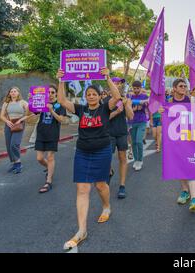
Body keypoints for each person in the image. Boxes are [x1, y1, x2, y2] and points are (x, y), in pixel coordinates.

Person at [57, 67, 121, 250]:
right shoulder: (80, 109)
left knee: (100, 185)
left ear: (100, 96)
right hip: (82, 153)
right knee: (83, 189)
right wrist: (61, 79)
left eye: (94, 94)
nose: (91, 96)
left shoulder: (105, 109)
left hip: (102, 151)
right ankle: (82, 230)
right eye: (89, 94)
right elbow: (61, 100)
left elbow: (116, 97)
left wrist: (107, 77)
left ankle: (106, 206)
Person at [160, 79, 195, 212]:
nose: (184, 88)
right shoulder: (168, 103)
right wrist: (161, 112)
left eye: (185, 86)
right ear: (174, 88)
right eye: (181, 86)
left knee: (191, 167)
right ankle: (185, 191)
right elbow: (164, 121)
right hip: (175, 140)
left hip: (191, 139)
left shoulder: (192, 101)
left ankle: (194, 199)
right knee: (181, 167)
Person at [34, 85, 67, 193]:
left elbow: (61, 119)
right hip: (41, 133)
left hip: (53, 134)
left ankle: (48, 181)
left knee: (50, 157)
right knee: (39, 158)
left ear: (56, 93)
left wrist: (52, 110)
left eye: (53, 92)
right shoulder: (41, 103)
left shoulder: (60, 105)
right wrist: (31, 101)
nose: (50, 94)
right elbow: (31, 113)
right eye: (48, 92)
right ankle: (50, 168)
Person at [106, 77, 134, 199]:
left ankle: (122, 185)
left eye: (119, 83)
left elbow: (131, 116)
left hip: (122, 132)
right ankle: (110, 171)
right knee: (106, 158)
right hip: (108, 133)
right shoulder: (105, 100)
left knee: (122, 158)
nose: (117, 85)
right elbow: (104, 118)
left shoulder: (126, 99)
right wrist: (117, 111)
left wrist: (126, 105)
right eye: (115, 83)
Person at [0, 86, 31, 174]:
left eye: (15, 91)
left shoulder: (23, 102)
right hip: (9, 125)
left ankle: (18, 163)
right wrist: (7, 121)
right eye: (11, 91)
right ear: (9, 93)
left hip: (19, 125)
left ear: (18, 93)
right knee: (9, 145)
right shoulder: (6, 103)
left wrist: (21, 120)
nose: (13, 93)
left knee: (14, 144)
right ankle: (14, 163)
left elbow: (30, 113)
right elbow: (1, 115)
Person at [128, 81, 149, 171]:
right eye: (134, 88)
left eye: (138, 88)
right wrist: (134, 108)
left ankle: (140, 160)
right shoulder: (130, 96)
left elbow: (148, 103)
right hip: (132, 121)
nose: (136, 90)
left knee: (139, 141)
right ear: (132, 88)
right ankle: (136, 160)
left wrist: (144, 102)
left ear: (141, 88)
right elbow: (127, 106)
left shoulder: (144, 96)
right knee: (133, 142)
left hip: (142, 121)